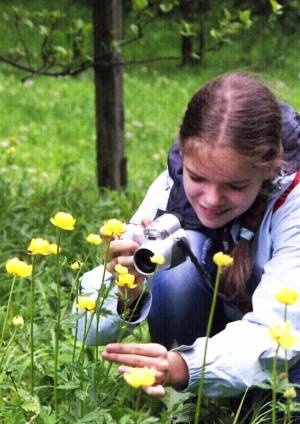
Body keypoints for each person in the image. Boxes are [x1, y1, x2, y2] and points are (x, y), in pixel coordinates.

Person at [78, 72, 300, 400]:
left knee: (281, 413)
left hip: (287, 349)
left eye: (235, 185)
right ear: (183, 153)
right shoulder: (173, 186)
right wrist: (125, 293)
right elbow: (85, 329)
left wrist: (184, 366)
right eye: (198, 177)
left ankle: (219, 397)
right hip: (213, 355)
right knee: (176, 262)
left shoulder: (293, 202)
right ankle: (188, 407)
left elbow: (281, 331)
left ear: (268, 169)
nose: (211, 199)